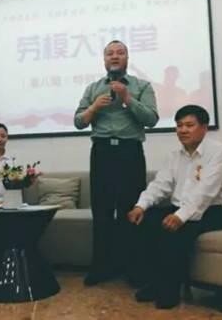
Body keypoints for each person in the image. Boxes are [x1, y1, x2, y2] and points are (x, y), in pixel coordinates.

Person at [127, 105, 222, 309]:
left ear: (204, 128)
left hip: (215, 211)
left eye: (189, 125)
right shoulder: (174, 155)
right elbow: (160, 185)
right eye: (179, 125)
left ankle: (169, 292)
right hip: (180, 208)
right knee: (144, 221)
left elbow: (205, 192)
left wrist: (180, 216)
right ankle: (153, 282)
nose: (183, 130)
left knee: (173, 231)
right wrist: (141, 206)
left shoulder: (218, 152)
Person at [74, 40, 159, 286]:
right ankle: (101, 267)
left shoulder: (142, 86)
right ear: (104, 60)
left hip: (130, 152)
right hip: (102, 153)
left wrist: (127, 98)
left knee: (129, 210)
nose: (114, 56)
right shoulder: (93, 88)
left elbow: (151, 119)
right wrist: (93, 108)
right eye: (110, 53)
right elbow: (79, 122)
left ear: (127, 58)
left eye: (120, 53)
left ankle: (133, 269)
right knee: (101, 211)